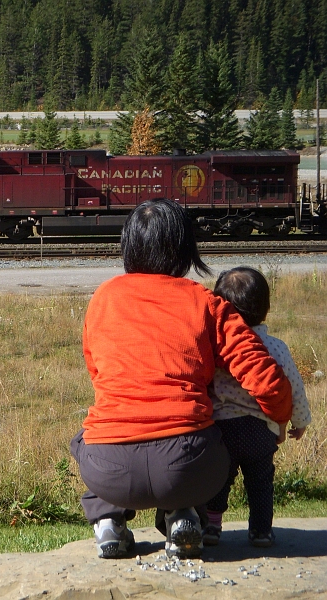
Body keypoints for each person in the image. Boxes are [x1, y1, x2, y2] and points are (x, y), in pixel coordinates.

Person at [70, 199, 293, 560]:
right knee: (217, 433)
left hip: (109, 470)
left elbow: (98, 373)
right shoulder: (206, 303)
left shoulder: (103, 298)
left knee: (84, 438)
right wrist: (280, 417)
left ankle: (108, 521)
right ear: (185, 249)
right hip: (187, 465)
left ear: (128, 245)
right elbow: (264, 375)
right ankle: (184, 514)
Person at [203, 267, 311, 548]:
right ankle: (261, 531)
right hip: (261, 431)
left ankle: (211, 527)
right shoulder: (276, 347)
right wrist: (299, 421)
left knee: (218, 480)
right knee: (261, 482)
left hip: (221, 430)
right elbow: (292, 388)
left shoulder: (217, 346)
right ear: (266, 308)